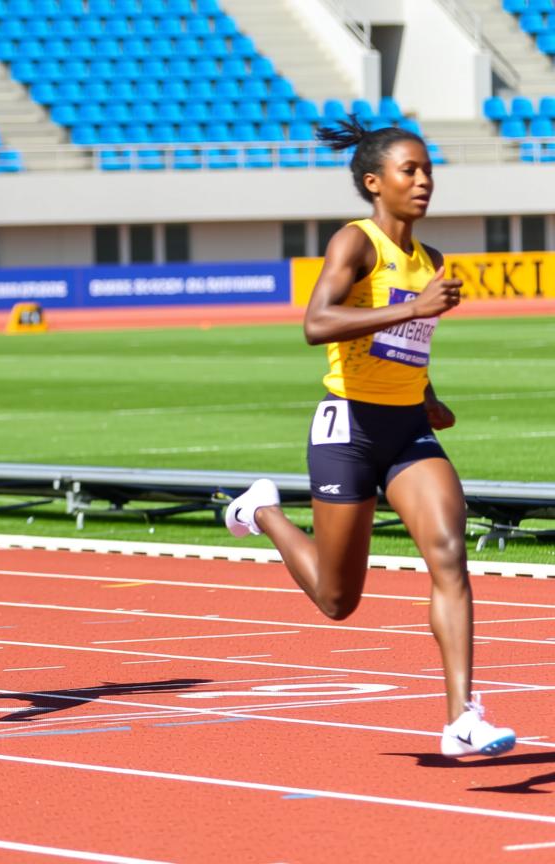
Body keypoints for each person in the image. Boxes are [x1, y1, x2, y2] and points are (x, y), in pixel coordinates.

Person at [224, 117, 515, 758]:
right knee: (337, 600)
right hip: (349, 428)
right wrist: (414, 306)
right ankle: (262, 510)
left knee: (449, 555)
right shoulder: (355, 243)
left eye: (428, 169)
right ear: (374, 182)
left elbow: (406, 344)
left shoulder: (432, 260)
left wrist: (428, 397)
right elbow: (316, 323)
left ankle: (462, 718)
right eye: (410, 170)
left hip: (408, 428)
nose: (424, 180)